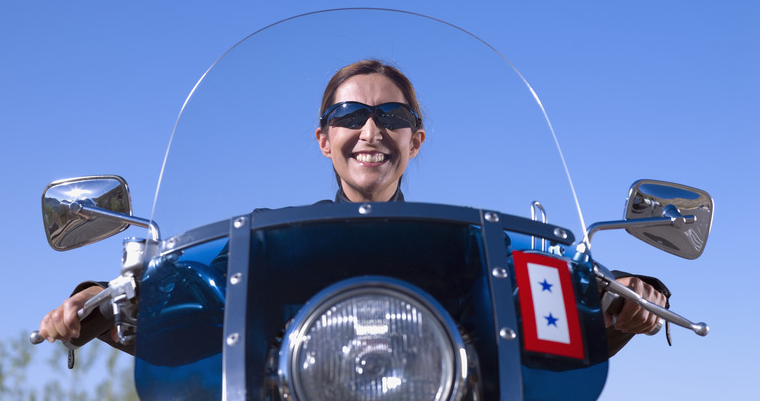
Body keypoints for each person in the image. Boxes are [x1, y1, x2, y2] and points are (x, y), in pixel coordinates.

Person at [38, 59, 669, 355]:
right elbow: (195, 289)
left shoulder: (471, 247)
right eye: (349, 114)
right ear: (324, 139)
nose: (371, 130)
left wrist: (628, 299)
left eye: (392, 116)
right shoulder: (273, 244)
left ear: (416, 139)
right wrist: (102, 298)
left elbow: (545, 299)